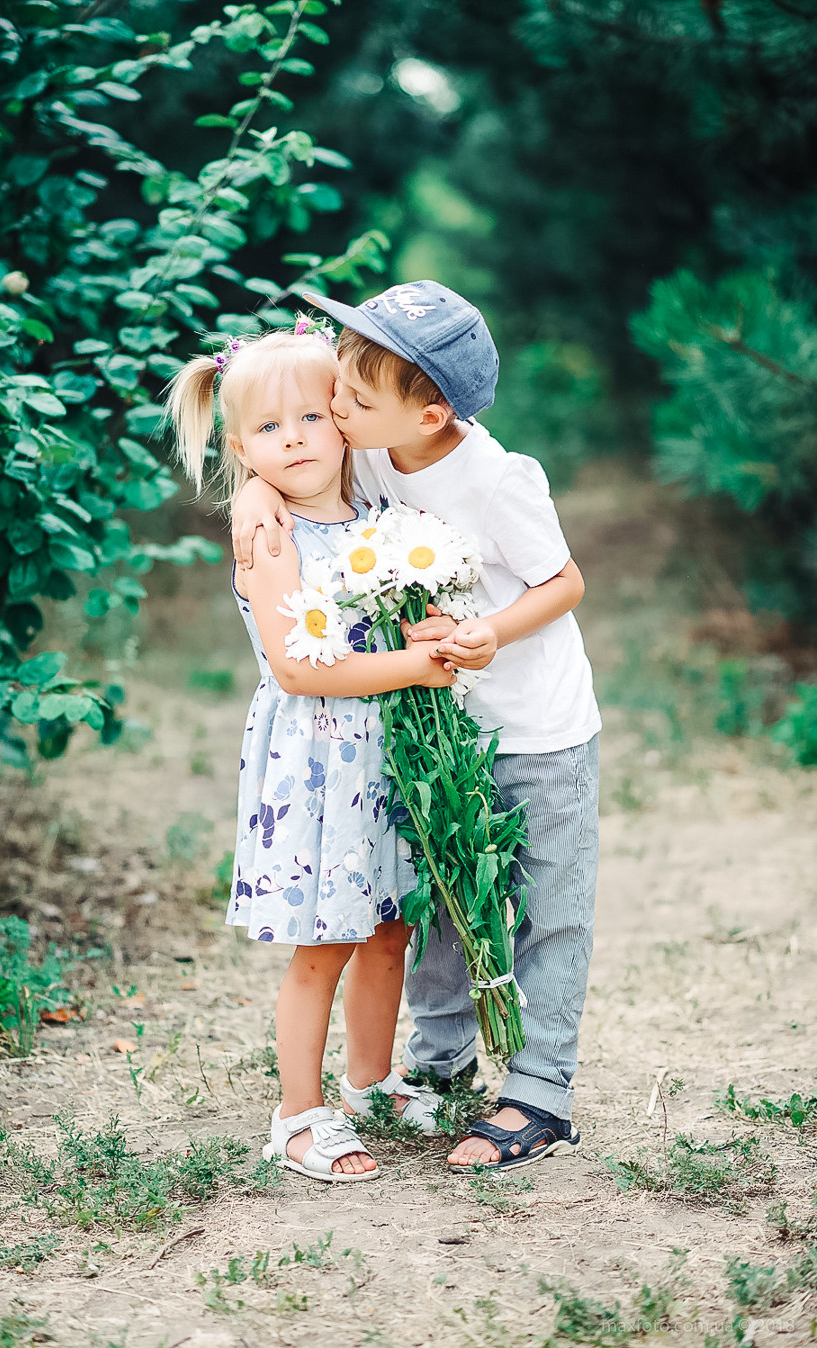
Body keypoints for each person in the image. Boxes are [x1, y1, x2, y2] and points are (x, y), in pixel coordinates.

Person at [232, 282, 601, 1172]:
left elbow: (566, 582)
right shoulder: (371, 451)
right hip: (438, 729)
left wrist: (483, 634)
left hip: (537, 723)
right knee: (433, 904)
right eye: (336, 402)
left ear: (429, 412)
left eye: (351, 403)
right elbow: (281, 440)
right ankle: (436, 1068)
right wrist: (250, 492)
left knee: (546, 909)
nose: (335, 416)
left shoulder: (494, 478)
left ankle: (539, 1090)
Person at [167, 326, 450, 1183]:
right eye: (265, 429)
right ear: (239, 448)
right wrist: (419, 665)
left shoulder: (375, 517)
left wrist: (427, 633)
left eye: (309, 417)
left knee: (389, 928)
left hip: (388, 757)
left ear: (341, 421)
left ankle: (369, 1081)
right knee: (324, 941)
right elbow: (298, 664)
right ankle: (296, 1117)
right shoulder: (271, 534)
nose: (291, 438)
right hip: (320, 765)